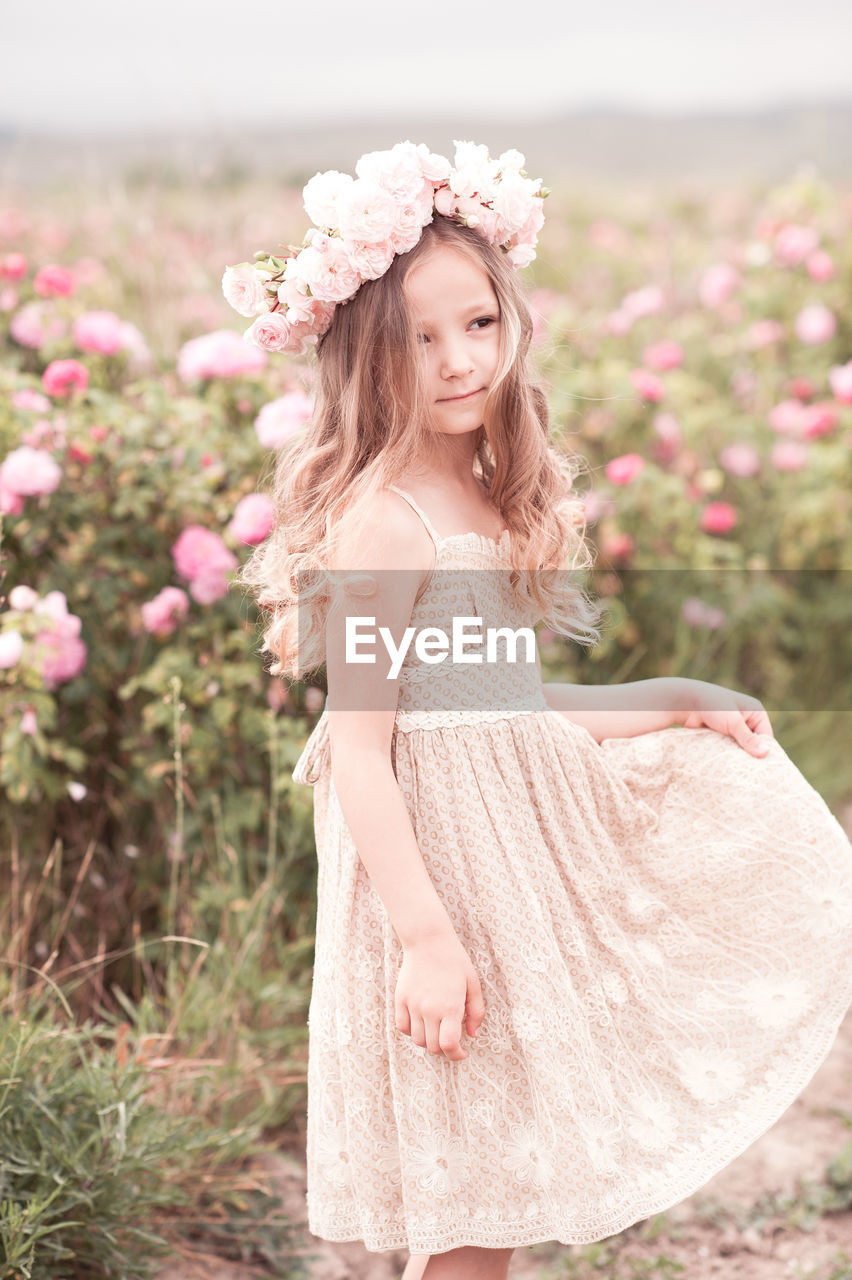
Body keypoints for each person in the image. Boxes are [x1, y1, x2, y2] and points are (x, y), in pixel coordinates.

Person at [223, 141, 852, 1280]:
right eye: (418, 337)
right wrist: (425, 937)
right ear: (366, 354)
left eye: (477, 324)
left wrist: (674, 700)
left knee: (492, 1197)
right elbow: (363, 749)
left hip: (508, 873)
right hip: (440, 888)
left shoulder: (480, 487)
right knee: (469, 1211)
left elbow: (498, 704)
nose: (458, 360)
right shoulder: (383, 524)